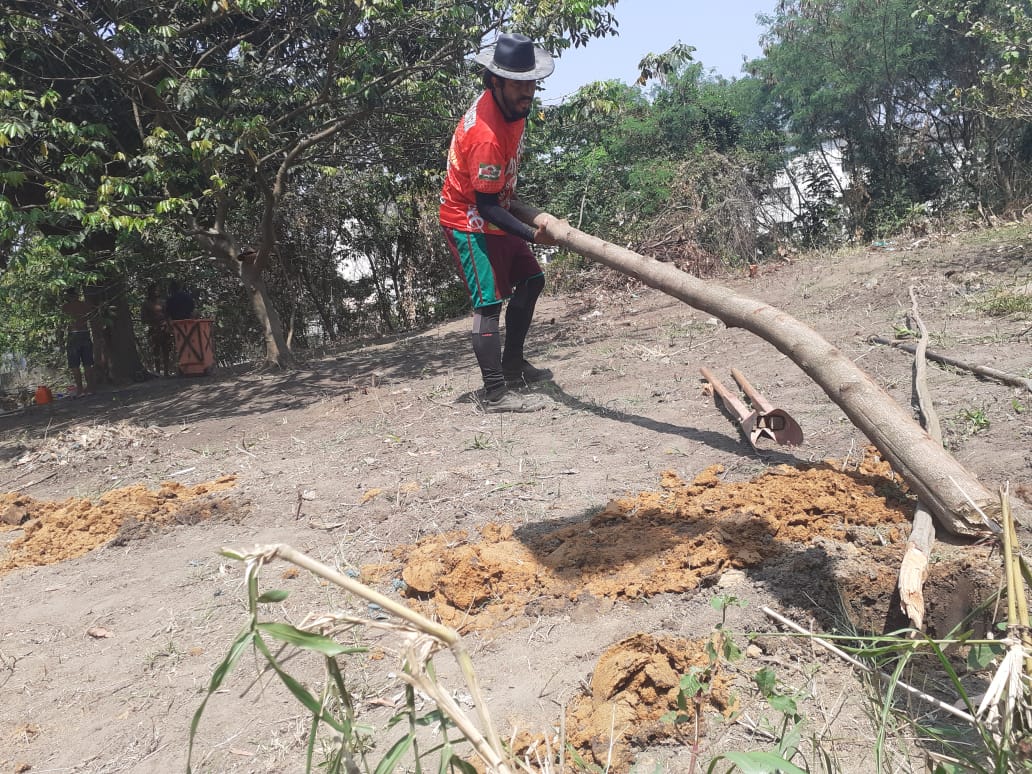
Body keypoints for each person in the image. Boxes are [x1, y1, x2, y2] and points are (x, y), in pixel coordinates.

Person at [439, 32, 563, 413]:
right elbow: (486, 206)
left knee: (531, 280)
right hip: (469, 218)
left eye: (532, 82)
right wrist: (531, 234)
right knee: (488, 303)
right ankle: (495, 393)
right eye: (519, 83)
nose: (528, 91)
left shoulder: (515, 108)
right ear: (495, 81)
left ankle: (512, 364)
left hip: (495, 207)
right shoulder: (486, 136)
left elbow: (496, 199)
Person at [60, 287, 97, 396]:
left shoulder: (65, 307)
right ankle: (89, 388)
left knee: (75, 365)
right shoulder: (84, 305)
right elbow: (93, 318)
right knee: (87, 364)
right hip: (84, 333)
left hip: (73, 335)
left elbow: (61, 325)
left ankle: (80, 389)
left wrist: (61, 341)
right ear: (76, 295)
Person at [141, 283, 173, 376]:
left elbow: (168, 315)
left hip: (164, 329)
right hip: (154, 330)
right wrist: (152, 321)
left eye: (157, 290)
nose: (156, 292)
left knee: (166, 350)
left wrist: (169, 327)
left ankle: (166, 371)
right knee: (156, 351)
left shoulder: (163, 302)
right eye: (154, 290)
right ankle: (158, 371)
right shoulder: (146, 304)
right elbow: (143, 319)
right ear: (150, 292)